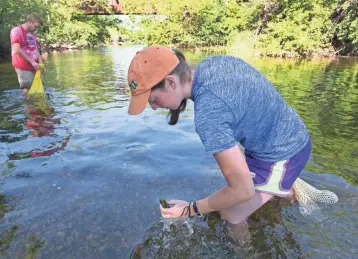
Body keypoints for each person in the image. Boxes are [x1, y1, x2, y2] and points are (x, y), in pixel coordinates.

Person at [126, 46, 312, 244]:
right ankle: (282, 190)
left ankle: (249, 253)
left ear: (171, 82)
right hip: (289, 131)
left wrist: (190, 209)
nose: (153, 107)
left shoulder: (208, 115)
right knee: (233, 193)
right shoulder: (212, 64)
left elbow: (242, 190)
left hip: (285, 152)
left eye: (152, 99)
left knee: (230, 214)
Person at [10, 13, 44, 95]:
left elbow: (36, 51)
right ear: (30, 21)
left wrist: (41, 64)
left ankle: (37, 107)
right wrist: (32, 62)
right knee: (27, 89)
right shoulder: (16, 31)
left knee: (38, 90)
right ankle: (28, 107)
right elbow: (16, 49)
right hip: (23, 65)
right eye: (36, 26)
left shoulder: (32, 34)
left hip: (35, 65)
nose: (36, 29)